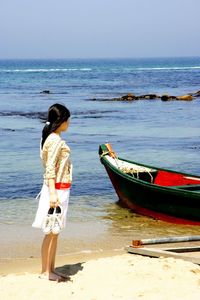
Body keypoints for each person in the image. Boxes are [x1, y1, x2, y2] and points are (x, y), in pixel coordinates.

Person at [32, 103, 72, 282]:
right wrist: (53, 194)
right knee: (52, 231)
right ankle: (46, 271)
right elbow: (50, 168)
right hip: (56, 189)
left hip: (57, 188)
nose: (69, 122)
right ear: (61, 121)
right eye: (67, 119)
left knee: (54, 231)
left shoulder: (49, 137)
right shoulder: (55, 140)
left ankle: (50, 270)